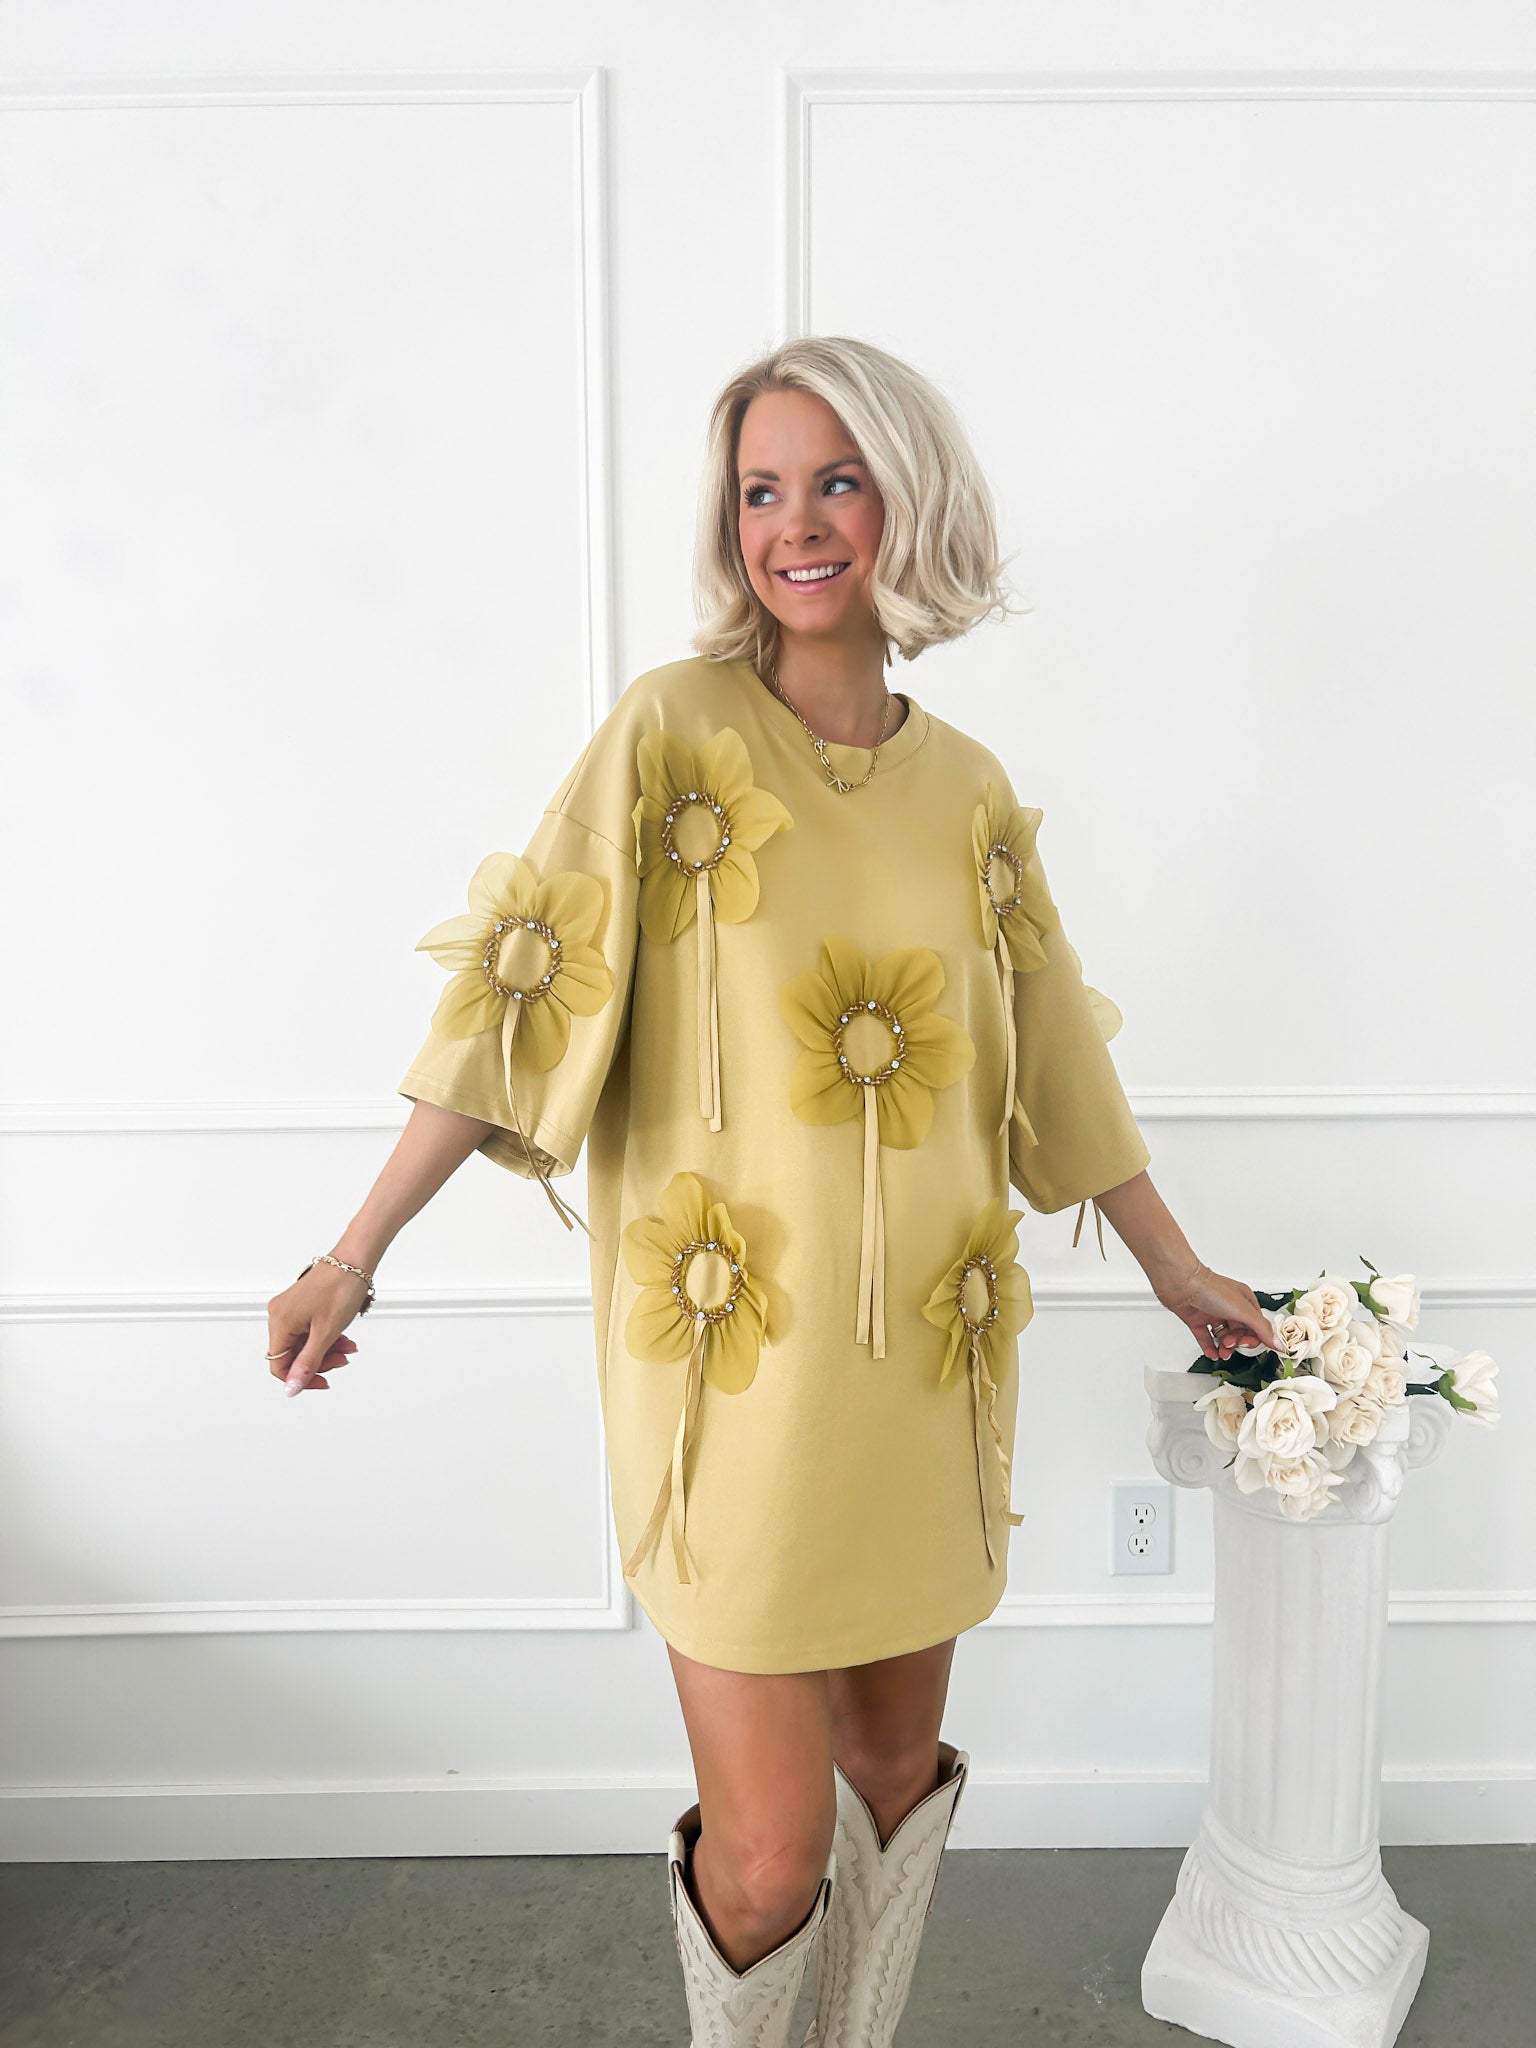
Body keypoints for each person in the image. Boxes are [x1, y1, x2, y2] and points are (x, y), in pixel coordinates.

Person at [265, 335, 1276, 2047]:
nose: (793, 524)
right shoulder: (671, 733)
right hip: (732, 1381)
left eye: (835, 482)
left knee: (889, 1778)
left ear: (908, 503)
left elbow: (1053, 1053)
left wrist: (1178, 1271)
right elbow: (521, 996)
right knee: (769, 1853)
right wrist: (352, 1253)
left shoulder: (968, 790)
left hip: (926, 1369)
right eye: (759, 490)